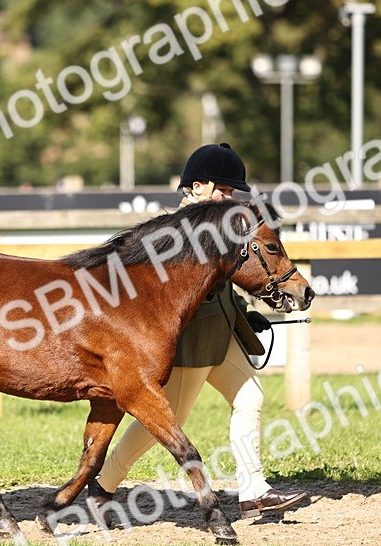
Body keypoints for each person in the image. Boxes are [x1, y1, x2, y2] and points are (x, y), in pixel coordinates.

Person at [86, 143, 308, 522]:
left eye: (232, 193)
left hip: (223, 338)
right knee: (168, 420)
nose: (229, 199)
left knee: (250, 398)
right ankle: (103, 486)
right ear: (198, 187)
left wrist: (245, 313)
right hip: (190, 343)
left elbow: (229, 280)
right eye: (222, 191)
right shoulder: (177, 232)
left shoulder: (224, 228)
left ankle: (254, 489)